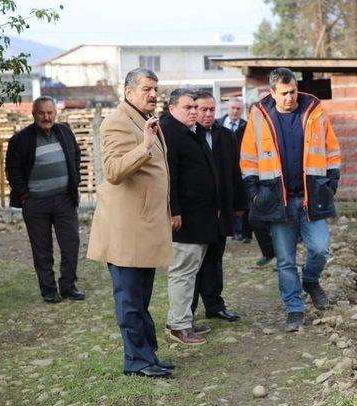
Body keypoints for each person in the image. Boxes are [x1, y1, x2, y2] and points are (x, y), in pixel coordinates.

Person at [87, 68, 173, 378]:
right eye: (147, 89)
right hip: (125, 231)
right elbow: (112, 170)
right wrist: (145, 146)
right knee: (129, 300)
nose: (153, 94)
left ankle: (147, 355)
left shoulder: (145, 120)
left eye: (155, 89)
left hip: (144, 227)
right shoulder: (116, 122)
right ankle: (137, 362)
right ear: (128, 92)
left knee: (141, 299)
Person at [240, 68, 341, 332]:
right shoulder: (259, 116)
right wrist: (254, 192)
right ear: (272, 92)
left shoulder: (315, 111)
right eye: (283, 93)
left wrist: (330, 185)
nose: (289, 97)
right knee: (285, 260)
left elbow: (331, 150)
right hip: (277, 199)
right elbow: (249, 157)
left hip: (311, 197)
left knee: (320, 248)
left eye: (293, 91)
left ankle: (310, 280)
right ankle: (294, 309)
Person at [6, 96, 84, 304]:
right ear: (34, 115)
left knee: (71, 243)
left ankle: (68, 286)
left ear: (55, 114)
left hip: (64, 200)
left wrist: (74, 183)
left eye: (50, 113)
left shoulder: (64, 132)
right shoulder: (21, 139)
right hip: (36, 202)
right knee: (42, 249)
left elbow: (76, 156)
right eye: (41, 113)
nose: (46, 117)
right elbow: (12, 171)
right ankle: (49, 290)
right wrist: (24, 195)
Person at [161, 88, 220, 345]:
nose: (195, 112)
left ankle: (184, 318)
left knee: (191, 269)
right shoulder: (170, 133)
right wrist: (174, 210)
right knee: (183, 271)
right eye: (188, 107)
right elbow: (168, 176)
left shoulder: (190, 131)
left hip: (201, 215)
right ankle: (178, 325)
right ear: (172, 108)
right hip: (185, 218)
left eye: (196, 107)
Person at [193, 91, 246, 322]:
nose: (207, 114)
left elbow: (235, 171)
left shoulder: (225, 136)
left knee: (215, 259)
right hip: (195, 211)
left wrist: (237, 204)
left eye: (211, 110)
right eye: (203, 110)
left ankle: (214, 305)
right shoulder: (187, 136)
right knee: (193, 264)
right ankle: (187, 311)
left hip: (220, 208)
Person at [236, 103, 275, 267]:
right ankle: (269, 252)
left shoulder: (274, 128)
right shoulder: (242, 131)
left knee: (279, 222)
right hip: (254, 181)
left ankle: (283, 258)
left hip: (273, 180)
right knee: (255, 219)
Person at [217, 99, 248, 241]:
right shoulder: (217, 124)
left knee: (239, 196)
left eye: (238, 109)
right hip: (221, 166)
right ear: (227, 109)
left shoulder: (246, 126)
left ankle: (239, 230)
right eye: (233, 108)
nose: (235, 111)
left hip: (241, 166)